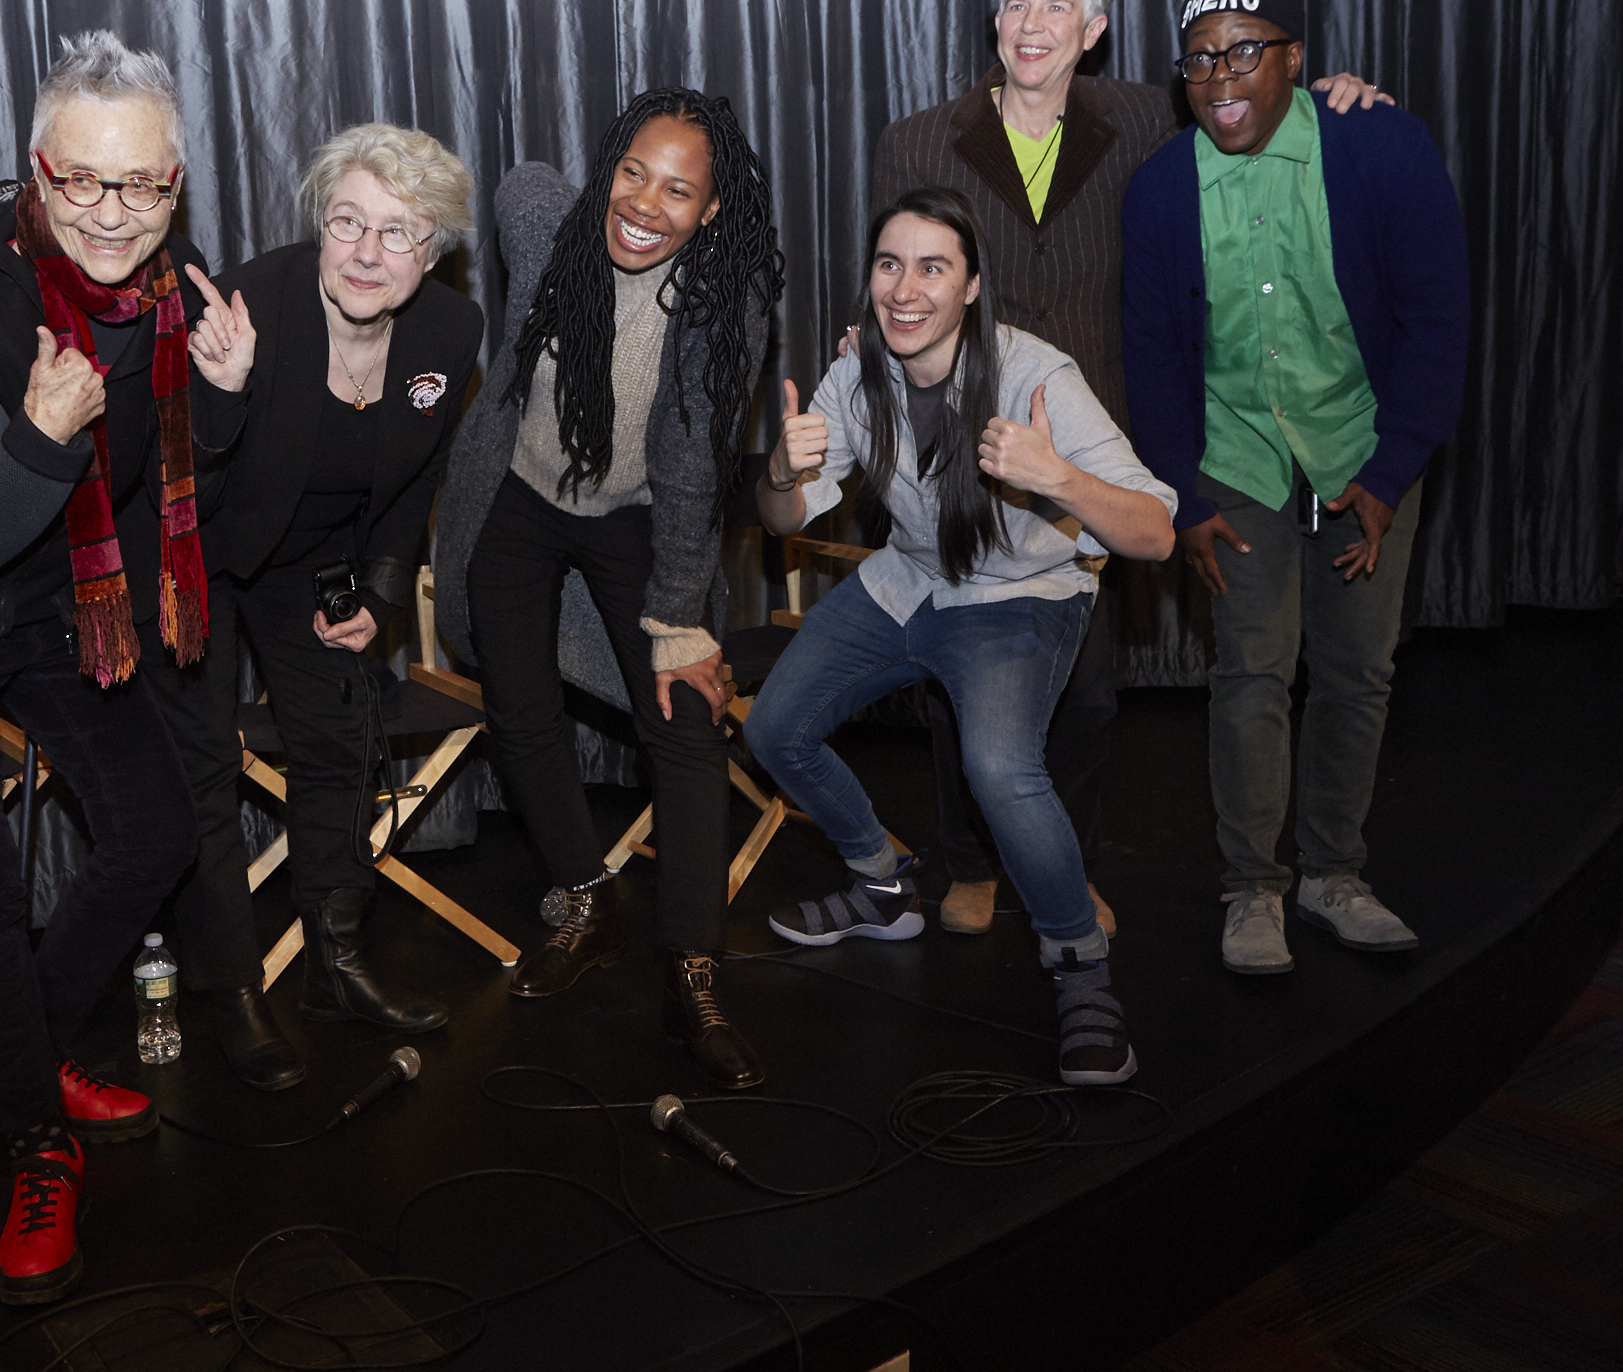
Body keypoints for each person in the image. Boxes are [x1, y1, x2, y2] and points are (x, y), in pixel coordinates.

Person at [869, 0, 1388, 939]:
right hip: (962, 436)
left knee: (1088, 691)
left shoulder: (1154, 117)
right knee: (956, 675)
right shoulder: (917, 140)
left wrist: (1346, 98)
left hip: (1090, 446)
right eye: (1018, 1)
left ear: (1094, 29)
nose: (1032, 24)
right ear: (996, 17)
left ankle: (1066, 862)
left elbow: (1254, 110)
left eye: (1057, 6)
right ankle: (968, 859)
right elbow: (898, 279)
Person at [0, 31, 247, 1304]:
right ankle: (33, 1134)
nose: (111, 214)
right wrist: (37, 432)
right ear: (39, 174)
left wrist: (225, 401)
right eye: (81, 183)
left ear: (177, 182)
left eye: (140, 184)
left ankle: (22, 1049)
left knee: (156, 827)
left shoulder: (178, 301)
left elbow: (166, 479)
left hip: (66, 594)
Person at [746, 188, 1175, 1086]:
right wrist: (782, 468)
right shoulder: (861, 368)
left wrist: (1057, 475)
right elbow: (785, 519)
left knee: (999, 769)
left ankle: (1079, 965)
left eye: (933, 268)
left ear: (973, 286)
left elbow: (1153, 533)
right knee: (773, 726)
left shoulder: (1037, 376)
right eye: (888, 265)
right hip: (906, 581)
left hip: (1018, 596)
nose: (906, 289)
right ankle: (882, 878)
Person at [1121, 0, 1470, 974]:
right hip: (1238, 457)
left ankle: (1334, 873)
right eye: (1199, 59)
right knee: (1252, 673)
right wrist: (1183, 496)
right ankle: (1254, 888)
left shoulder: (1383, 148)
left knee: (1360, 672)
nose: (1220, 79)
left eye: (1243, 52)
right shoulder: (1160, 189)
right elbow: (1152, 356)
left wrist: (1388, 472)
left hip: (1364, 446)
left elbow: (1437, 321)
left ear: (1294, 57)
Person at [432, 89, 784, 1089]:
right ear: (608, 166)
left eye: (680, 190)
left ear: (713, 211)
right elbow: (522, 186)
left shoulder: (724, 304)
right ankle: (586, 901)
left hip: (634, 512)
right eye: (633, 171)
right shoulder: (557, 231)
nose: (646, 203)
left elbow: (688, 470)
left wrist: (678, 619)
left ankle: (693, 967)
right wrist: (595, 198)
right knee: (518, 701)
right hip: (519, 496)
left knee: (683, 720)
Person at [148, 123, 482, 1084]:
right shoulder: (252, 302)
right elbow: (177, 473)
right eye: (348, 222)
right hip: (203, 553)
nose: (369, 254)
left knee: (339, 744)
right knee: (204, 771)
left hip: (317, 566)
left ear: (436, 253)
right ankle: (236, 991)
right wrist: (220, 392)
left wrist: (381, 588)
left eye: (399, 232)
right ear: (320, 225)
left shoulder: (450, 333)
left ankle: (335, 966)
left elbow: (415, 483)